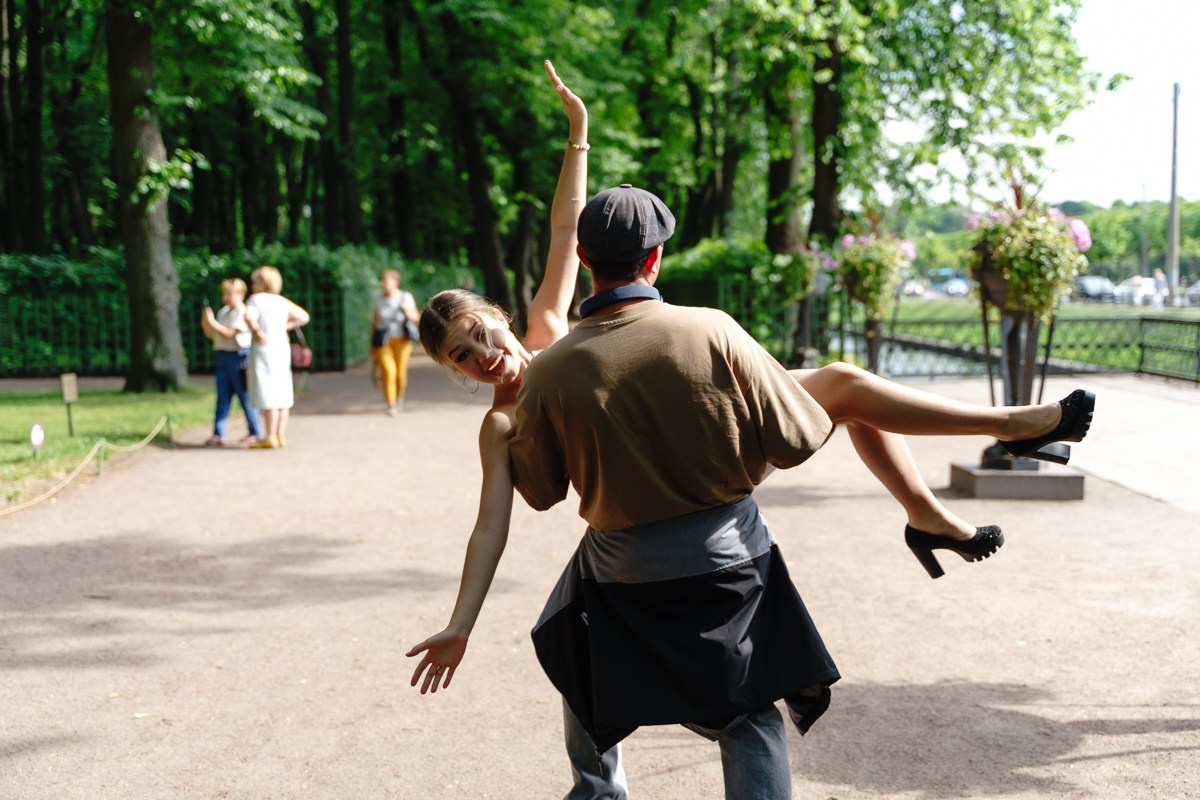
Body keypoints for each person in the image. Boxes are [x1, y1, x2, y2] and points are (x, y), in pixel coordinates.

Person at [406, 65, 1094, 797]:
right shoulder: (509, 416)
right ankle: (973, 462)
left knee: (844, 390)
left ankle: (933, 502)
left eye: (479, 332)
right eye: (462, 355)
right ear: (456, 370)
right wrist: (461, 622)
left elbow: (564, 231)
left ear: (500, 317)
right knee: (572, 640)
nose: (482, 354)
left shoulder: (549, 331)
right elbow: (492, 528)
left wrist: (578, 138)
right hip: (644, 502)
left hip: (642, 487)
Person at [244, 265, 310, 449]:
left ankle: (270, 435)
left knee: (267, 390)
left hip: (264, 348)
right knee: (282, 390)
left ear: (261, 283)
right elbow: (304, 317)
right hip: (281, 347)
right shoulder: (281, 301)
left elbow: (249, 317)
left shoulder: (255, 300)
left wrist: (257, 331)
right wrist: (284, 327)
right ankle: (280, 435)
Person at [200, 278, 263, 446]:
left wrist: (212, 322)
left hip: (238, 357)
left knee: (245, 395)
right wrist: (207, 321)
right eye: (224, 294)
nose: (226, 298)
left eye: (230, 294)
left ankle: (255, 431)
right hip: (222, 356)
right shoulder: (223, 312)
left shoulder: (243, 312)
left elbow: (229, 334)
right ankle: (218, 433)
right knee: (223, 396)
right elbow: (211, 334)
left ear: (241, 294)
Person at [371, 269, 421, 415]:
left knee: (400, 373)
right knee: (388, 371)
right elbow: (374, 322)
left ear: (395, 282)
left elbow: (416, 317)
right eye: (382, 280)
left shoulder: (405, 297)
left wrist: (406, 310)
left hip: (403, 341)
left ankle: (399, 398)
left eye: (386, 280)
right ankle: (391, 404)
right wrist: (372, 343)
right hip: (384, 340)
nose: (383, 283)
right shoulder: (378, 299)